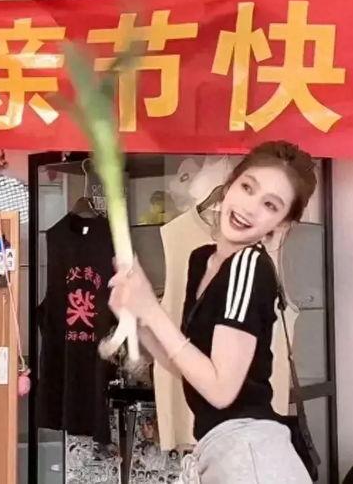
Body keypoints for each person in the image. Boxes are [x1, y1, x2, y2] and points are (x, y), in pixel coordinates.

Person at [110, 141, 316, 483]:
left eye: (270, 205)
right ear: (230, 185)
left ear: (280, 225)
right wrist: (138, 319)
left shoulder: (249, 265)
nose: (249, 208)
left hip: (249, 453)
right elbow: (185, 367)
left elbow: (221, 391)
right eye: (247, 187)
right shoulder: (201, 260)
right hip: (222, 450)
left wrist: (151, 309)